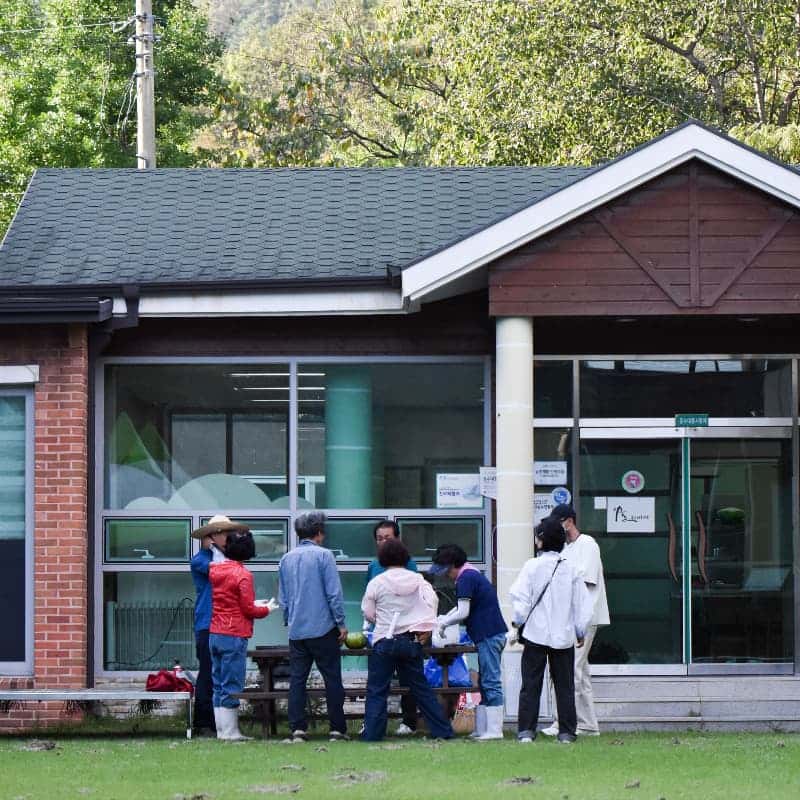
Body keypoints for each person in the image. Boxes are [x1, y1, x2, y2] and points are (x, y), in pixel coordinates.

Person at [509, 516, 592, 744]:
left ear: (541, 541)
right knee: (564, 685)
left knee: (531, 684)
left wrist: (517, 624)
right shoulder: (571, 568)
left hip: (535, 634)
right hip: (564, 635)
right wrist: (580, 631)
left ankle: (526, 730)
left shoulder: (531, 566)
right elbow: (582, 604)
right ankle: (566, 732)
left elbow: (520, 600)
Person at [361, 538, 453, 741]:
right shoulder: (419, 580)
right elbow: (434, 600)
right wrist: (426, 625)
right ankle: (443, 731)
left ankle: (373, 735)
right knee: (421, 689)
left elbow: (367, 611)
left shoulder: (377, 582)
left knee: (377, 690)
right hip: (412, 641)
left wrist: (379, 619)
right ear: (405, 557)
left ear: (382, 559)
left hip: (384, 640)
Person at [278, 511, 349, 743]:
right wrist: (341, 623)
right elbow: (333, 594)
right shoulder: (324, 556)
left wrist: (289, 620)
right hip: (323, 627)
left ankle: (297, 728)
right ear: (319, 533)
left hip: (297, 630)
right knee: (332, 679)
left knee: (297, 680)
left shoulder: (286, 559)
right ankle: (337, 729)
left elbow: (283, 597)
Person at [540, 503, 610, 737]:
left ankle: (563, 722)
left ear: (569, 521)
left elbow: (585, 580)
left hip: (585, 617)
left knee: (570, 670)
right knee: (580, 672)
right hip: (568, 619)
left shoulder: (587, 544)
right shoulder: (565, 549)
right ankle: (588, 724)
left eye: (559, 522)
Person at [430, 543, 508, 740]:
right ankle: (482, 729)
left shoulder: (466, 578)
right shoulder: (471, 574)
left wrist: (444, 623)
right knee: (484, 682)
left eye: (445, 570)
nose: (445, 575)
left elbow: (463, 612)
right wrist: (444, 619)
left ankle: (495, 730)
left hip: (489, 635)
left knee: (490, 681)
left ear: (453, 565)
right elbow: (460, 609)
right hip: (488, 635)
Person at [209, 526, 277, 741]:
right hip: (234, 634)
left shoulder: (215, 569)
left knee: (218, 683)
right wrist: (266, 609)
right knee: (232, 683)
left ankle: (222, 731)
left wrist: (252, 604)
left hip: (215, 632)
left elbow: (231, 601)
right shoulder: (243, 574)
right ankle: (231, 732)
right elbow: (248, 609)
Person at [363, 520, 419, 735]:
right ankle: (374, 724)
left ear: (398, 539)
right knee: (378, 682)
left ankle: (409, 721)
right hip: (380, 631)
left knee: (409, 679)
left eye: (388, 538)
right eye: (379, 538)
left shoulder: (409, 565)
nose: (383, 542)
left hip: (406, 630)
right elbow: (368, 600)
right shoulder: (372, 566)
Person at [189, 514, 238, 736]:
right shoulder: (201, 560)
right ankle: (204, 722)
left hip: (225, 622)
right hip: (207, 623)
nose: (226, 537)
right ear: (210, 537)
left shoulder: (229, 558)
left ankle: (224, 723)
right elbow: (220, 572)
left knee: (224, 673)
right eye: (221, 532)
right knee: (208, 673)